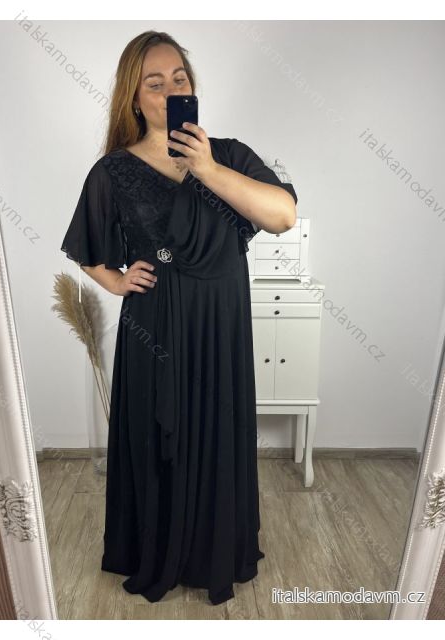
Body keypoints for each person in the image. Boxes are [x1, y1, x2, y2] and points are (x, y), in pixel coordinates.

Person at [60, 30, 297, 606]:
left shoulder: (230, 155)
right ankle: (157, 550)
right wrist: (117, 281)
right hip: (156, 325)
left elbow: (283, 216)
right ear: (134, 98)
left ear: (193, 89)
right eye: (155, 84)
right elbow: (86, 248)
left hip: (220, 322)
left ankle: (212, 552)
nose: (169, 93)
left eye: (180, 80)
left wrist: (207, 168)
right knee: (157, 436)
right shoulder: (113, 171)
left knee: (217, 432)